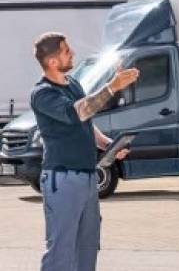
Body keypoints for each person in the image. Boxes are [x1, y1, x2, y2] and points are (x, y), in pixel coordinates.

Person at [30, 32, 139, 271]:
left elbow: (86, 122)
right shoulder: (43, 94)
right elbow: (79, 111)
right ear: (52, 61)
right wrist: (112, 87)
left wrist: (108, 145)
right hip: (63, 179)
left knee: (87, 247)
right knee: (61, 251)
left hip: (88, 177)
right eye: (66, 51)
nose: (73, 53)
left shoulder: (73, 84)